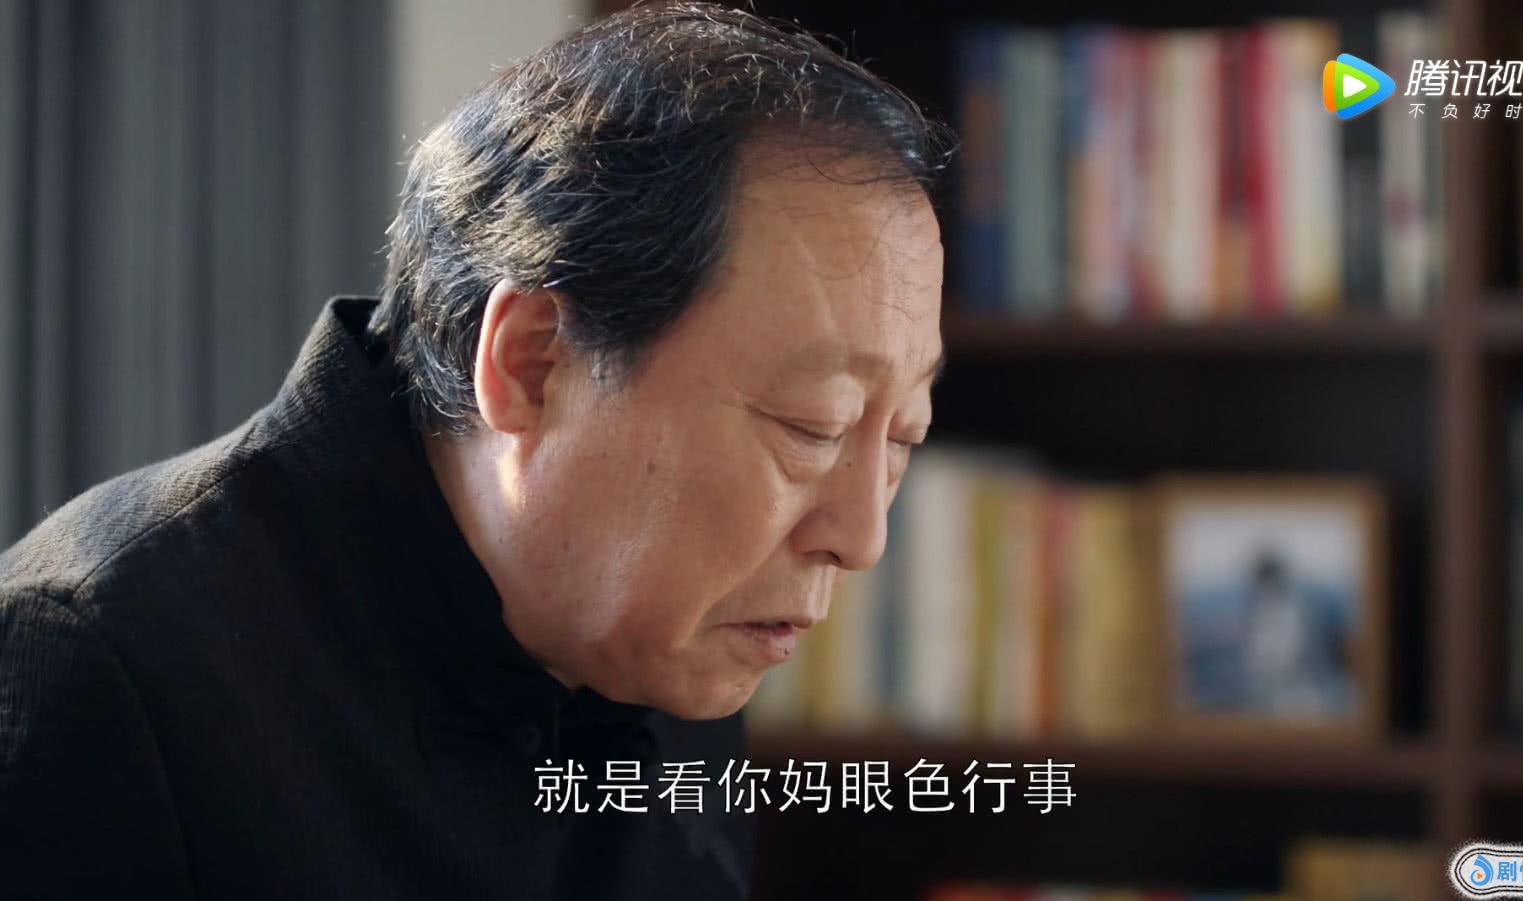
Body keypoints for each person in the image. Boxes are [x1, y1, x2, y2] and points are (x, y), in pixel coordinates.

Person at [0, 3, 952, 898]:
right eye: (814, 425)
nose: (862, 537)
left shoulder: (667, 641)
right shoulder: (99, 668)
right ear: (533, 363)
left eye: (903, 435)